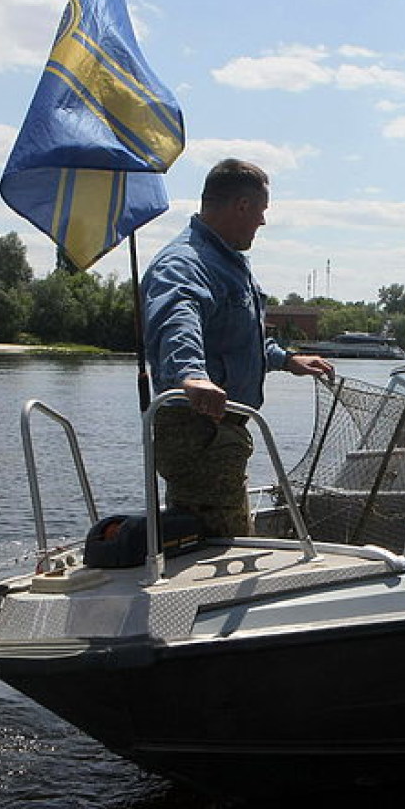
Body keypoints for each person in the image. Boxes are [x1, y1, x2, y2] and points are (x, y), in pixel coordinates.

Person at [142, 158, 333, 537]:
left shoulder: (228, 263)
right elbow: (177, 319)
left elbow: (236, 340)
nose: (262, 222)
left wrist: (287, 359)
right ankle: (206, 598)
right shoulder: (186, 263)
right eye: (261, 211)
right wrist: (191, 375)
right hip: (200, 429)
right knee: (219, 540)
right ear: (241, 206)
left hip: (221, 430)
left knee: (218, 534)